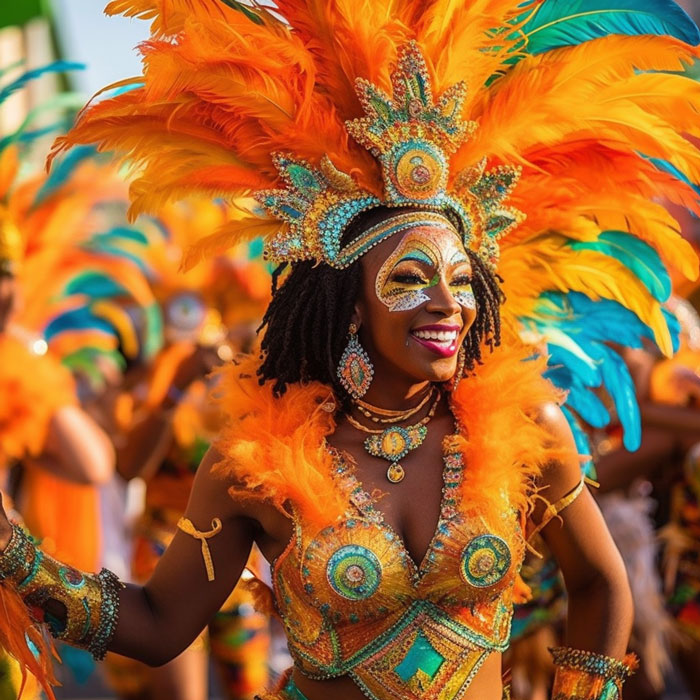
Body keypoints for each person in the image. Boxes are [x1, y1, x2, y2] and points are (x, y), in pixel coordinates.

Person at [4, 1, 700, 698]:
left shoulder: (525, 432)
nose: (446, 304)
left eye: (462, 283)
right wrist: (17, 559)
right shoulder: (256, 464)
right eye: (408, 280)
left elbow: (598, 581)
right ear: (346, 304)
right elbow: (157, 624)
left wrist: (585, 693)